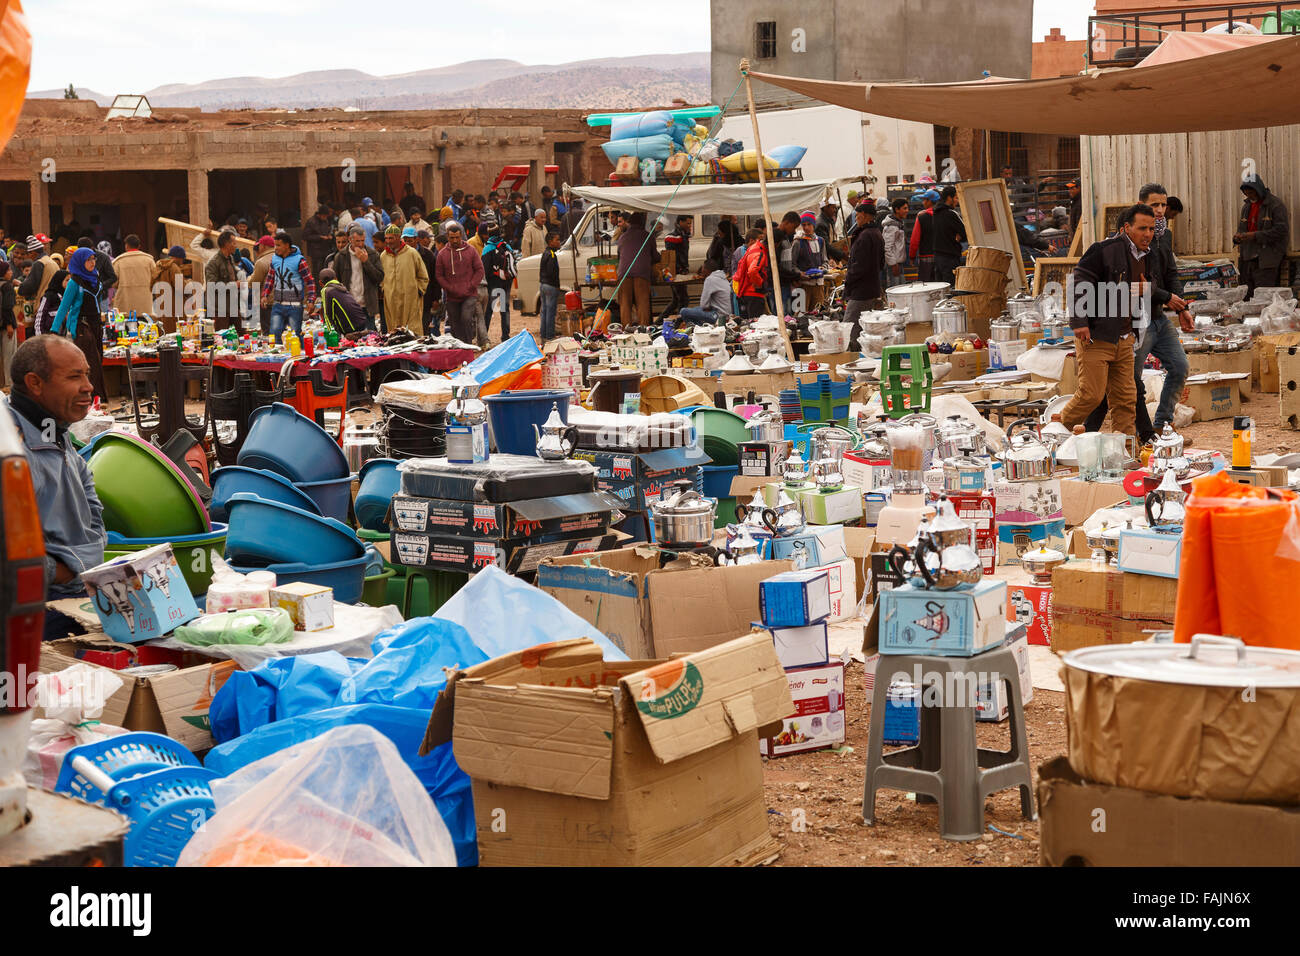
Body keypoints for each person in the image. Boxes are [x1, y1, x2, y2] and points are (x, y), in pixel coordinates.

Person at [5, 336, 106, 638]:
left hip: (75, 590)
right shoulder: (10, 448)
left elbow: (94, 516)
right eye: (74, 376)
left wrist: (76, 564)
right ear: (35, 383)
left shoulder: (53, 429)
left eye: (87, 374)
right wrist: (63, 572)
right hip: (32, 606)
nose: (88, 386)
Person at [1085, 184, 1193, 441]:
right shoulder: (1123, 243)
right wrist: (1167, 297)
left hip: (1157, 317)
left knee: (1179, 368)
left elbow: (1170, 274)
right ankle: (1094, 433)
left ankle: (1162, 426)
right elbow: (1136, 285)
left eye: (1163, 205)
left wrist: (1182, 307)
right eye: (1154, 205)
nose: (1159, 211)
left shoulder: (1164, 237)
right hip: (1133, 320)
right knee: (1127, 381)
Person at [1057, 203, 1162, 440]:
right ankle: (1055, 432)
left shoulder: (1149, 254)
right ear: (1126, 227)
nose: (1148, 234)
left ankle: (1123, 453)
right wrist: (1079, 321)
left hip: (1125, 337)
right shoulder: (1103, 249)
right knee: (1090, 395)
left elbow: (1153, 282)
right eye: (1142, 228)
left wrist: (1149, 287)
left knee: (1125, 398)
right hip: (1096, 335)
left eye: (1151, 229)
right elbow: (1079, 282)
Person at [47, 248, 106, 401]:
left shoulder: (95, 279)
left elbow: (98, 302)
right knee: (91, 361)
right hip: (82, 326)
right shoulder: (74, 282)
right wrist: (54, 330)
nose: (92, 262)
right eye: (88, 260)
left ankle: (94, 399)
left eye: (93, 259)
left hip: (96, 325)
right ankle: (94, 398)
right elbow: (64, 306)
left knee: (98, 360)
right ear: (80, 261)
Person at [1235, 173, 1290, 298]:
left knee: (1264, 297)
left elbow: (1281, 231)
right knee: (1247, 297)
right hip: (1247, 260)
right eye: (1246, 194)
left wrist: (1255, 235)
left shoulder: (1275, 205)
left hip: (1267, 261)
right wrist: (1238, 237)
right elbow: (1241, 229)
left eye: (1251, 193)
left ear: (1258, 189)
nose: (1249, 196)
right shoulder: (1246, 207)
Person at [261, 231, 316, 339]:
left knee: (295, 335)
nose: (275, 248)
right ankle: (277, 355)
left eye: (278, 245)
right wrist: (265, 295)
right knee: (274, 334)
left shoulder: (299, 261)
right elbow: (270, 278)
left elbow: (310, 281)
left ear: (287, 245)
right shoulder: (275, 259)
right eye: (275, 245)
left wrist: (311, 300)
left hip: (294, 305)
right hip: (278, 304)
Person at [436, 222, 484, 343]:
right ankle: (460, 347)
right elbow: (439, 275)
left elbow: (479, 270)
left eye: (457, 237)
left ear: (461, 236)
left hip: (469, 294)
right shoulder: (442, 254)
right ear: (447, 237)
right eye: (452, 238)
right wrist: (449, 288)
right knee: (454, 322)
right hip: (452, 296)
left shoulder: (471, 250)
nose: (455, 240)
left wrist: (471, 285)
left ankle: (468, 344)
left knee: (466, 317)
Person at [380, 225, 429, 335]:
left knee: (412, 332)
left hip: (410, 301)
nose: (388, 241)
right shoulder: (383, 256)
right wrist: (384, 289)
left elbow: (423, 276)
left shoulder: (412, 253)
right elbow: (381, 277)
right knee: (394, 333)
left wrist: (418, 291)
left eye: (391, 238)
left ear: (398, 237)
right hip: (391, 300)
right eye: (386, 238)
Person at [843, 203, 886, 325]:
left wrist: (849, 279)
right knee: (868, 327)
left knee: (849, 326)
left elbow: (859, 266)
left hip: (861, 291)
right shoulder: (876, 233)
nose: (856, 219)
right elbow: (881, 263)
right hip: (873, 288)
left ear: (864, 215)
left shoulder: (865, 235)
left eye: (857, 215)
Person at [615, 211, 659, 327]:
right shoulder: (647, 236)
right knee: (642, 304)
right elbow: (655, 256)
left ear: (630, 222)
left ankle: (625, 331)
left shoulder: (622, 237)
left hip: (624, 273)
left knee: (625, 304)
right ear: (643, 222)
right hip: (641, 274)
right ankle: (643, 331)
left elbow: (619, 256)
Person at [203, 230, 243, 331]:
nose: (236, 245)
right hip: (219, 309)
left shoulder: (230, 258)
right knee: (222, 338)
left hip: (233, 305)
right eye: (234, 242)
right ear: (226, 244)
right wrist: (234, 285)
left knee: (242, 334)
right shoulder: (213, 263)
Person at [482, 227, 517, 342]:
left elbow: (485, 269)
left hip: (494, 284)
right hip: (506, 282)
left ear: (488, 235)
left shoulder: (488, 248)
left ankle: (484, 337)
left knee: (489, 310)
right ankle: (505, 336)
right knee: (504, 309)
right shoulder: (507, 246)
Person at [151, 245, 193, 334]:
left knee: (165, 335)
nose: (182, 262)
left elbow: (151, 287)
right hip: (175, 310)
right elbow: (181, 288)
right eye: (182, 259)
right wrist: (188, 284)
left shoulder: (157, 267)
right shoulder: (174, 267)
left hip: (161, 308)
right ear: (177, 257)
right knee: (177, 336)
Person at [930, 186, 967, 286]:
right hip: (950, 257)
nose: (957, 201)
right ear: (949, 198)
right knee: (952, 288)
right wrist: (960, 236)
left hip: (938, 257)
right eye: (956, 198)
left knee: (941, 288)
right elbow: (965, 232)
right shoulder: (952, 214)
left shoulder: (935, 213)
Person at [317, 267, 371, 337]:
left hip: (351, 329)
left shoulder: (326, 290)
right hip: (362, 323)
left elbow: (328, 316)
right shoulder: (341, 287)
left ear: (320, 283)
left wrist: (330, 336)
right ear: (336, 278)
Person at [111, 234, 155, 316]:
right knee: (145, 327)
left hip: (124, 304)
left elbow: (113, 282)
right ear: (139, 246)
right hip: (145, 304)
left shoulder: (119, 261)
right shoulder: (149, 260)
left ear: (126, 246)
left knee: (125, 327)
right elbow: (155, 279)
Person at [733, 228, 771, 320]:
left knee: (750, 322)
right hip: (753, 293)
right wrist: (759, 284)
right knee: (755, 323)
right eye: (760, 239)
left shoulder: (751, 250)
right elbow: (752, 271)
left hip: (746, 292)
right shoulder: (759, 251)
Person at [679, 261, 732, 325]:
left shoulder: (710, 279)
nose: (702, 270)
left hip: (719, 316)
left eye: (703, 268)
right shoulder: (723, 278)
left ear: (706, 270)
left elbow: (704, 305)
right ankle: (701, 327)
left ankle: (696, 328)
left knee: (684, 311)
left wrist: (708, 307)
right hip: (727, 314)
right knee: (695, 309)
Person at [660, 214, 693, 320]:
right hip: (675, 273)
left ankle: (660, 321)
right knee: (683, 299)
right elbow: (672, 255)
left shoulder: (684, 236)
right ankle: (679, 321)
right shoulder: (672, 237)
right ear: (680, 222)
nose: (689, 226)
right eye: (688, 223)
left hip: (680, 272)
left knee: (676, 300)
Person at [410, 228, 440, 336]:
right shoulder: (402, 255)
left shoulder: (428, 255)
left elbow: (434, 278)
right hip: (409, 298)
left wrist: (436, 298)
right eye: (406, 240)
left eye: (410, 240)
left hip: (425, 297)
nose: (408, 243)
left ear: (416, 239)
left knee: (424, 326)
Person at [538, 229, 563, 342]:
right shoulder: (552, 255)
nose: (559, 242)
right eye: (557, 240)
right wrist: (556, 285)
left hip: (543, 285)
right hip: (550, 286)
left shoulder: (545, 253)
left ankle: (543, 336)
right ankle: (549, 336)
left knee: (544, 311)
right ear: (550, 242)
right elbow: (551, 272)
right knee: (550, 312)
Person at [909, 190, 939, 281]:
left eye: (924, 200)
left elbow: (915, 240)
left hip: (925, 258)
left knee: (926, 285)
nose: (923, 202)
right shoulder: (944, 215)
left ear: (929, 201)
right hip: (941, 257)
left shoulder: (921, 217)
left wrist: (912, 256)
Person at [775, 211, 801, 315]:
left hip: (786, 284)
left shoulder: (785, 237)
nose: (794, 231)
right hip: (778, 285)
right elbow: (776, 266)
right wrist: (796, 275)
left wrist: (793, 278)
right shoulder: (777, 237)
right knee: (782, 315)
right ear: (786, 222)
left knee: (788, 315)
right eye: (794, 227)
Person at [882, 197, 909, 286]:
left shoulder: (898, 224)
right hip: (894, 265)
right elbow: (887, 247)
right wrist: (893, 264)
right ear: (897, 210)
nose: (907, 211)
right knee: (895, 289)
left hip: (897, 263)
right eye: (904, 208)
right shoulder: (892, 226)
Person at [302, 205, 335, 278]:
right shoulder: (311, 222)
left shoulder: (325, 220)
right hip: (316, 251)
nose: (325, 218)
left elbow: (327, 231)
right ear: (320, 214)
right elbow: (305, 236)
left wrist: (329, 236)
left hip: (325, 250)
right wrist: (319, 237)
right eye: (324, 216)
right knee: (317, 271)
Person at [0, 261, 17, 386]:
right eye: (8, 270)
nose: (11, 272)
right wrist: (9, 324)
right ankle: (8, 385)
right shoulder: (7, 286)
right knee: (9, 356)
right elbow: (7, 307)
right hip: (6, 326)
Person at [815, 199, 846, 264]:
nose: (835, 210)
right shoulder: (821, 224)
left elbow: (831, 240)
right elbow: (826, 246)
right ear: (826, 208)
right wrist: (842, 255)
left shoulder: (828, 220)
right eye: (833, 208)